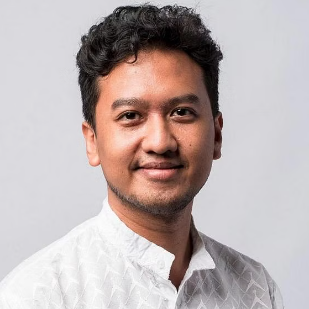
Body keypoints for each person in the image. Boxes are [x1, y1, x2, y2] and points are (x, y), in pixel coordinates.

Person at [0, 4, 284, 309]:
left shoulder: (255, 288)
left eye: (182, 112)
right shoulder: (35, 296)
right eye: (131, 115)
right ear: (92, 141)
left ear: (216, 135)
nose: (160, 142)